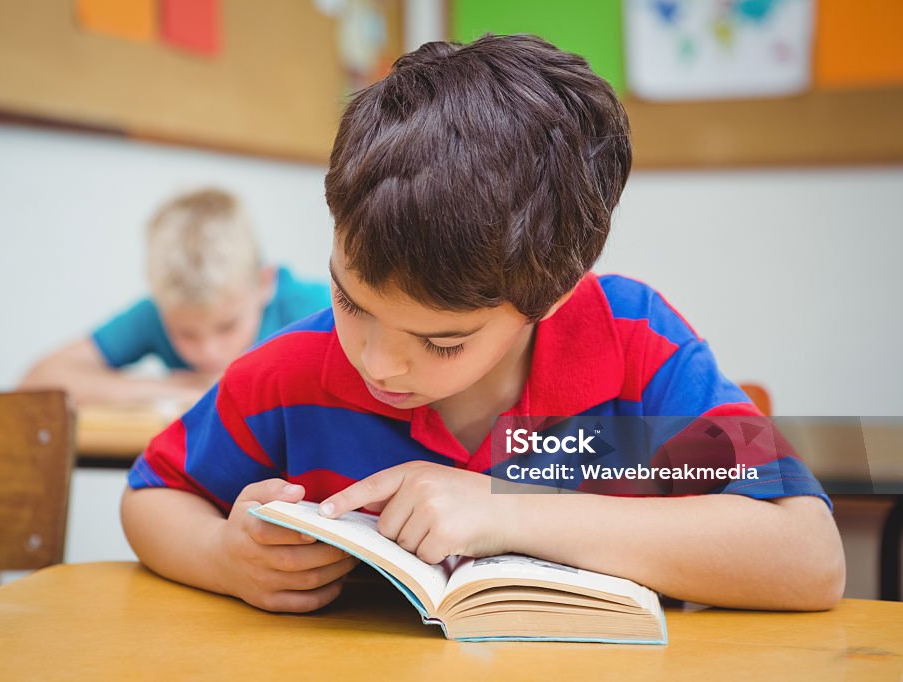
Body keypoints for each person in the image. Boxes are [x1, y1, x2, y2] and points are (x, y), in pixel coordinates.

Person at [120, 35, 845, 615]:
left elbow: (809, 558)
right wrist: (223, 556)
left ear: (555, 293)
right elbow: (152, 494)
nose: (376, 363)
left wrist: (508, 512)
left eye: (440, 341)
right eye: (350, 301)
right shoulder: (295, 369)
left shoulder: (633, 341)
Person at [20, 188, 330, 406]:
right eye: (185, 333)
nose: (208, 352)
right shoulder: (159, 311)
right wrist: (167, 388)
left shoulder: (314, 309)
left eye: (226, 327)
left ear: (264, 284)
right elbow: (39, 382)